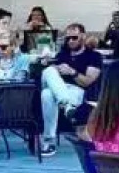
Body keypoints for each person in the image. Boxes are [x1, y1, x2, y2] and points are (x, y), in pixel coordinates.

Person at [39, 23, 103, 157]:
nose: (71, 41)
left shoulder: (93, 56)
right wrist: (52, 66)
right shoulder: (62, 54)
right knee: (49, 71)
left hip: (77, 90)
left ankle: (49, 142)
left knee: (46, 95)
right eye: (68, 38)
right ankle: (67, 105)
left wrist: (72, 72)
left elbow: (88, 81)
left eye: (74, 37)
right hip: (60, 90)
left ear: (83, 36)